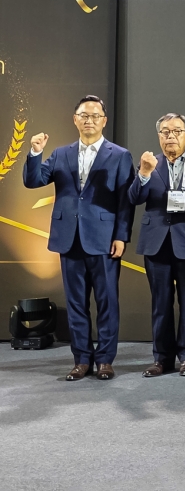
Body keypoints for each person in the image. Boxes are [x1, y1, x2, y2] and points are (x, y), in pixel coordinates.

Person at [23, 95, 135, 381]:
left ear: (104, 121)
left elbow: (125, 201)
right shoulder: (60, 153)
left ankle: (105, 360)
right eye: (84, 115)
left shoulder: (120, 155)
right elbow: (33, 181)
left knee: (107, 303)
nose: (89, 120)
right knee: (76, 304)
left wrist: (121, 236)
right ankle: (82, 359)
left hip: (104, 240)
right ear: (75, 120)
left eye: (95, 116)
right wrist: (35, 153)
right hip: (69, 239)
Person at [128, 113, 185, 377]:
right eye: (165, 131)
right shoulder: (149, 162)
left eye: (177, 131)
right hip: (156, 242)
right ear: (159, 136)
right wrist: (143, 173)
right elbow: (134, 198)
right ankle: (162, 358)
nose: (171, 136)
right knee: (161, 303)